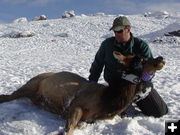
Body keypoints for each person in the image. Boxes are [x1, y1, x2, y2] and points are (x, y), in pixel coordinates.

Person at [88, 16, 168, 117]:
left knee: (160, 111)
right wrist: (92, 81)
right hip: (115, 87)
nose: (116, 34)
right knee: (102, 111)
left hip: (137, 87)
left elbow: (151, 67)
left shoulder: (141, 46)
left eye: (119, 31)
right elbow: (97, 64)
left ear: (128, 29)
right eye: (115, 31)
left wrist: (146, 76)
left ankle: (133, 100)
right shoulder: (107, 45)